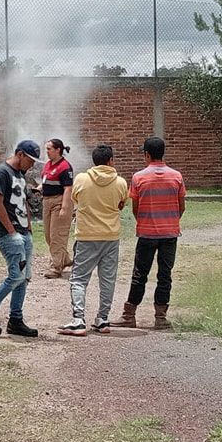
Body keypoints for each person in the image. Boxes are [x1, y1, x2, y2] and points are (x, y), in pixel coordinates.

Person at [112, 136, 186, 330]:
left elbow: (136, 208)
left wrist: (145, 221)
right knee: (165, 275)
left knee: (139, 274)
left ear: (147, 154)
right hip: (170, 234)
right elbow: (181, 207)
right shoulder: (176, 176)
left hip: (146, 233)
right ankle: (160, 317)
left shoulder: (138, 177)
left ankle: (129, 315)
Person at [57, 144, 129, 336]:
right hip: (111, 237)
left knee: (79, 279)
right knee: (108, 279)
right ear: (111, 161)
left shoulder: (81, 179)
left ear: (94, 161)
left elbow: (76, 199)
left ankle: (78, 319)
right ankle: (103, 319)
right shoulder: (121, 183)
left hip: (86, 236)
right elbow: (121, 204)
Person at [0, 140, 42, 338]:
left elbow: (23, 202)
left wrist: (28, 228)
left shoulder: (20, 174)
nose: (32, 165)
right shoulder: (1, 171)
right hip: (9, 233)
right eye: (30, 160)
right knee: (16, 275)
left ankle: (15, 319)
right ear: (20, 154)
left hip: (23, 231)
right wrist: (11, 232)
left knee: (24, 278)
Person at [38, 138, 74, 278]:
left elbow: (68, 188)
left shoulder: (65, 167)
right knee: (48, 235)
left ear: (58, 150)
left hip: (59, 201)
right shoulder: (48, 164)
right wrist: (39, 188)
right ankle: (64, 259)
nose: (46, 152)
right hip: (47, 201)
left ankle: (56, 267)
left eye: (49, 149)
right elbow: (46, 180)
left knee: (56, 236)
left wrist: (64, 207)